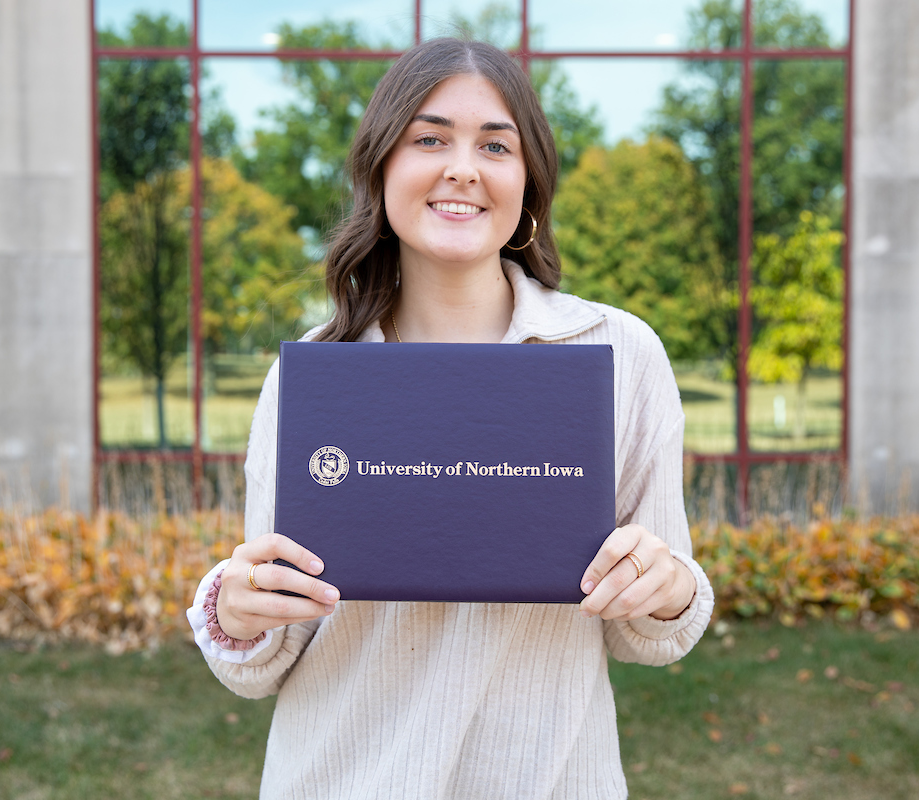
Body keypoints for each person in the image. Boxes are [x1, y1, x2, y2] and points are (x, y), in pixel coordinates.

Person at [187, 37, 713, 799]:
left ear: (527, 181)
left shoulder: (619, 353)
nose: (462, 167)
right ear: (382, 168)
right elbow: (267, 651)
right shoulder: (316, 370)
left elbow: (654, 632)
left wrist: (663, 586)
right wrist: (237, 612)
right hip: (340, 778)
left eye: (495, 145)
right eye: (430, 139)